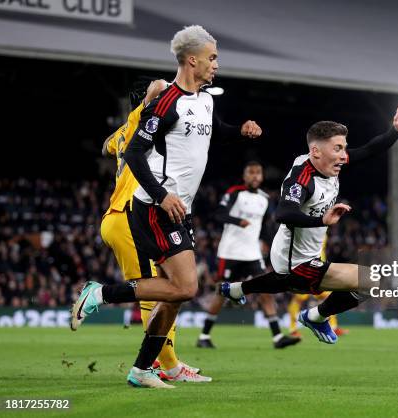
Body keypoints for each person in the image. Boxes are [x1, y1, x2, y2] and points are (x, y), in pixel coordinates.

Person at [71, 25, 262, 388]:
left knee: (176, 292)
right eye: (212, 58)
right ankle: (100, 294)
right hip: (154, 208)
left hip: (179, 209)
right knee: (185, 288)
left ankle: (143, 369)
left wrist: (241, 130)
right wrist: (161, 194)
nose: (216, 65)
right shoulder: (165, 103)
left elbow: (214, 128)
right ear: (192, 60)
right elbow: (134, 153)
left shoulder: (205, 99)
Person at [219, 99, 398, 344]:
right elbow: (283, 213)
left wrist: (396, 130)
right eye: (338, 149)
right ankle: (316, 316)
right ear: (316, 152)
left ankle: (236, 289)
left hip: (298, 256)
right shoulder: (302, 179)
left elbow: (369, 150)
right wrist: (321, 219)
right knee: (371, 281)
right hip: (297, 262)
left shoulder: (325, 164)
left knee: (283, 282)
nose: (344, 156)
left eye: (344, 148)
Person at [100, 78, 209, 383]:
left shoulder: (129, 127)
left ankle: (166, 364)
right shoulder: (150, 118)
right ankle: (166, 365)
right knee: (159, 291)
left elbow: (107, 145)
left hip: (122, 213)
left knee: (169, 288)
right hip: (130, 213)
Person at [197, 162, 300, 349]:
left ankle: (277, 337)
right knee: (221, 292)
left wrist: (268, 243)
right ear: (244, 176)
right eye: (251, 173)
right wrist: (237, 221)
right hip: (230, 252)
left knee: (265, 290)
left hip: (252, 253)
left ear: (261, 176)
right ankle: (204, 336)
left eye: (258, 173)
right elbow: (218, 214)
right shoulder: (234, 193)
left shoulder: (265, 199)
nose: (254, 176)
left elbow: (267, 225)